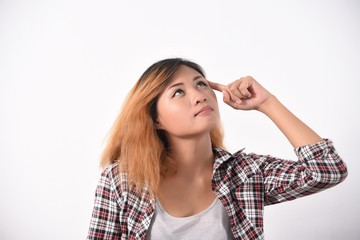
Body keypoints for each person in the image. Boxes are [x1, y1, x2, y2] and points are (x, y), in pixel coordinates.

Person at [87, 58, 348, 240]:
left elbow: (327, 171)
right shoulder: (122, 180)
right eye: (178, 92)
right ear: (156, 119)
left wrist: (267, 103)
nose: (199, 95)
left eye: (200, 83)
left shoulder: (245, 173)